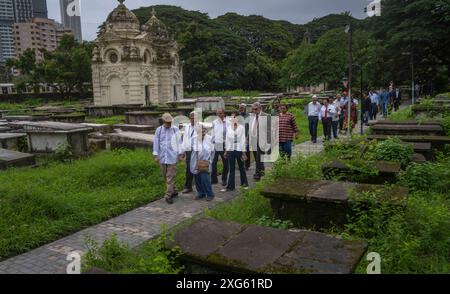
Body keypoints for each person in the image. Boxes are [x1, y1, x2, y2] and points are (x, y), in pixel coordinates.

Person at [153, 113, 184, 204]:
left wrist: (180, 154)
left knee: (170, 177)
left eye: (170, 122)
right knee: (165, 176)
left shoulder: (175, 130)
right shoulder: (159, 130)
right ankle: (174, 190)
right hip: (162, 157)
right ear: (163, 121)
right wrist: (156, 155)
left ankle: (168, 195)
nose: (169, 124)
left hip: (172, 157)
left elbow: (179, 142)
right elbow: (156, 143)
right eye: (167, 122)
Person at [223, 115, 248, 192]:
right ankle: (230, 186)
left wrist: (244, 153)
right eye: (232, 119)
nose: (233, 120)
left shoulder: (241, 128)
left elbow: (243, 140)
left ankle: (244, 184)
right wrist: (226, 151)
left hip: (239, 149)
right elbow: (227, 140)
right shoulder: (228, 128)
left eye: (235, 119)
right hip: (231, 150)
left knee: (241, 167)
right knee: (231, 169)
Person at [190, 124, 215, 201]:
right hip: (196, 162)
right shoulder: (194, 138)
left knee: (205, 179)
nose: (202, 131)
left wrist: (210, 161)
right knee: (197, 179)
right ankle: (201, 193)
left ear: (206, 130)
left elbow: (213, 151)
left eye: (203, 129)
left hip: (205, 162)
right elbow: (191, 149)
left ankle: (210, 194)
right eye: (200, 129)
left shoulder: (210, 138)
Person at [249, 102, 270, 181]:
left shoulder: (266, 116)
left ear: (260, 108)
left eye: (256, 109)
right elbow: (250, 128)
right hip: (253, 140)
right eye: (253, 109)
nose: (254, 111)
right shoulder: (252, 116)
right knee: (257, 157)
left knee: (258, 157)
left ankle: (257, 174)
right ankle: (262, 171)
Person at [211, 108, 229, 186]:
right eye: (218, 113)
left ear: (224, 113)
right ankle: (214, 179)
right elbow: (212, 134)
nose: (219, 115)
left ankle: (224, 179)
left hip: (224, 144)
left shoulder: (228, 122)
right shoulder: (214, 122)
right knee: (213, 162)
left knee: (225, 163)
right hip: (216, 144)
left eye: (221, 113)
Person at [181, 111, 197, 194]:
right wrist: (183, 151)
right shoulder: (187, 127)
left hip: (197, 151)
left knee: (198, 169)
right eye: (191, 117)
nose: (193, 119)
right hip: (188, 151)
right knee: (188, 169)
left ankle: (200, 187)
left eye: (194, 117)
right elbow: (185, 139)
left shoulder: (200, 127)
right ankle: (188, 186)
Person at [238, 103, 251, 170]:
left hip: (246, 136)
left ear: (245, 109)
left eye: (243, 108)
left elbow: (250, 127)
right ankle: (241, 164)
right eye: (240, 108)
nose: (241, 109)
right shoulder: (238, 116)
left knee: (246, 151)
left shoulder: (248, 116)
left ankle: (247, 165)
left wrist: (248, 137)